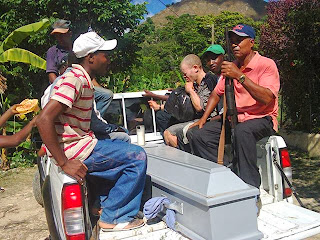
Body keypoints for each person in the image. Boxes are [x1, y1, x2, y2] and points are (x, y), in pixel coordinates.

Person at [36, 32, 147, 230]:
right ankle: (116, 217)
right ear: (91, 57)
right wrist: (64, 162)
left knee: (119, 144)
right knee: (136, 157)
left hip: (81, 144)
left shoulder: (81, 79)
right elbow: (43, 119)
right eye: (106, 55)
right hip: (74, 150)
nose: (108, 60)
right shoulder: (74, 79)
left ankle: (102, 205)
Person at [190, 24, 280, 189]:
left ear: (251, 42)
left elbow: (267, 98)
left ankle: (251, 190)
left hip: (262, 119)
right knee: (197, 134)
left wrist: (240, 76)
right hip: (236, 119)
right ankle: (226, 174)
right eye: (232, 41)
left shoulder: (266, 65)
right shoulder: (231, 67)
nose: (234, 44)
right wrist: (203, 119)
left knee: (242, 131)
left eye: (239, 40)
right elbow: (216, 94)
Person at [176, 44, 225, 153]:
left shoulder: (211, 80)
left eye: (214, 58)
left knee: (191, 133)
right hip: (209, 119)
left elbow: (201, 107)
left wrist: (191, 91)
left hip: (221, 120)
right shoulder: (216, 78)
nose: (211, 62)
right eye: (208, 60)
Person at [162, 54, 218, 148]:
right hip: (195, 119)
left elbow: (200, 107)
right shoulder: (196, 84)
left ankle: (187, 157)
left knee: (169, 134)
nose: (184, 77)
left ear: (195, 68)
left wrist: (191, 91)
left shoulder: (209, 81)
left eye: (185, 74)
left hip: (208, 120)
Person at [46, 19, 72, 84]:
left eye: (61, 35)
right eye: (56, 35)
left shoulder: (78, 49)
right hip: (60, 86)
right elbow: (52, 75)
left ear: (70, 34)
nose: (59, 38)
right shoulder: (53, 51)